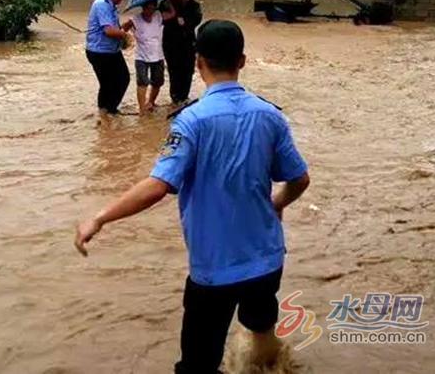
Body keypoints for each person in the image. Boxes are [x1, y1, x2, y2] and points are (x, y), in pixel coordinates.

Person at [75, 19, 311, 373]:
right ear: (242, 61)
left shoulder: (191, 121)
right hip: (267, 259)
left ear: (198, 61)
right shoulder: (270, 116)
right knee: (262, 334)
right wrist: (278, 203)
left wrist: (100, 217)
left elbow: (157, 186)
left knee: (197, 364)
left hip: (214, 270)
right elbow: (299, 179)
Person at [85, 0, 131, 115]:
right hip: (99, 52)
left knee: (121, 79)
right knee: (109, 84)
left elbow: (113, 27)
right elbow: (109, 31)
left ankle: (108, 110)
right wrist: (125, 35)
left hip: (110, 50)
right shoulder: (102, 4)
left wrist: (124, 28)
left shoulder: (110, 4)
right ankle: (107, 112)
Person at [122, 0, 176, 114]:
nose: (150, 11)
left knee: (158, 81)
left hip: (158, 55)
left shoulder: (158, 16)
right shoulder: (134, 19)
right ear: (143, 7)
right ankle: (142, 108)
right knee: (142, 82)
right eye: (148, 8)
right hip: (141, 56)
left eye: (152, 8)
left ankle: (150, 102)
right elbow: (123, 29)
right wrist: (124, 39)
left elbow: (172, 14)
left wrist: (169, 3)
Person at [161, 0, 203, 105]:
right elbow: (159, 19)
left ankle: (184, 95)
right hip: (171, 43)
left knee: (188, 69)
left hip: (188, 42)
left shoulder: (194, 5)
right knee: (174, 69)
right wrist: (171, 12)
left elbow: (197, 19)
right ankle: (175, 97)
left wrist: (185, 22)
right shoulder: (166, 3)